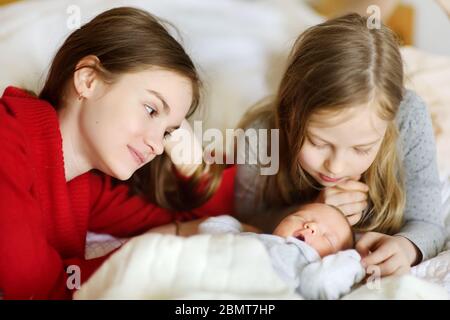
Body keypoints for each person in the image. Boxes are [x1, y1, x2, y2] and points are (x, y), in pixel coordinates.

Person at [0, 7, 235, 300]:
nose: (158, 146)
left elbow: (207, 210)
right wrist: (151, 248)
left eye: (167, 132)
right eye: (151, 109)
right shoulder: (6, 137)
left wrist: (191, 160)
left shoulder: (86, 186)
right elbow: (33, 288)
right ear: (88, 80)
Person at [234, 13, 446, 279]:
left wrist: (406, 247)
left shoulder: (409, 118)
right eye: (318, 142)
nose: (335, 166)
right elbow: (246, 216)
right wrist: (312, 209)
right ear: (291, 112)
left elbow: (428, 223)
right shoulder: (261, 135)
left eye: (361, 149)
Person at [199, 203, 365, 299]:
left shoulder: (310, 268)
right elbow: (210, 231)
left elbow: (323, 281)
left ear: (333, 260)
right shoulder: (253, 237)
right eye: (301, 217)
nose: (310, 226)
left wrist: (354, 260)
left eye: (328, 238)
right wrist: (235, 226)